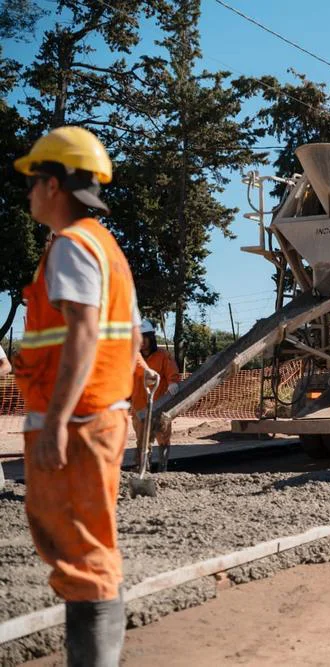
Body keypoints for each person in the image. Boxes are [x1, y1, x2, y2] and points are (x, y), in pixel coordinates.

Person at [12, 126, 146, 665]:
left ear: (52, 186)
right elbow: (131, 337)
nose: (26, 194)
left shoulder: (70, 245)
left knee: (80, 558)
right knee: (90, 549)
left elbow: (84, 332)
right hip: (101, 416)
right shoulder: (107, 247)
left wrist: (57, 422)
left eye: (31, 182)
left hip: (77, 421)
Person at [132, 319, 180, 471]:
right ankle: (143, 469)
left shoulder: (163, 356)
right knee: (142, 440)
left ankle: (163, 467)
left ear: (151, 338)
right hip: (139, 407)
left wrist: (173, 382)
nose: (142, 342)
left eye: (144, 337)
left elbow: (172, 372)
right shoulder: (134, 357)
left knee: (163, 437)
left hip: (160, 406)